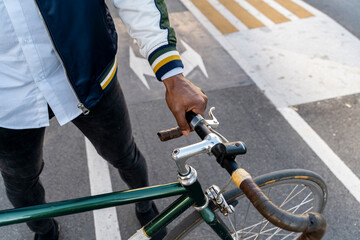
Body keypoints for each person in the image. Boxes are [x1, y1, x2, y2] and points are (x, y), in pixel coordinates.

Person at [0, 0, 207, 240]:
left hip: (90, 74)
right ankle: (43, 229)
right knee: (20, 182)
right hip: (9, 100)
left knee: (125, 156)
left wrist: (172, 73)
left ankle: (144, 203)